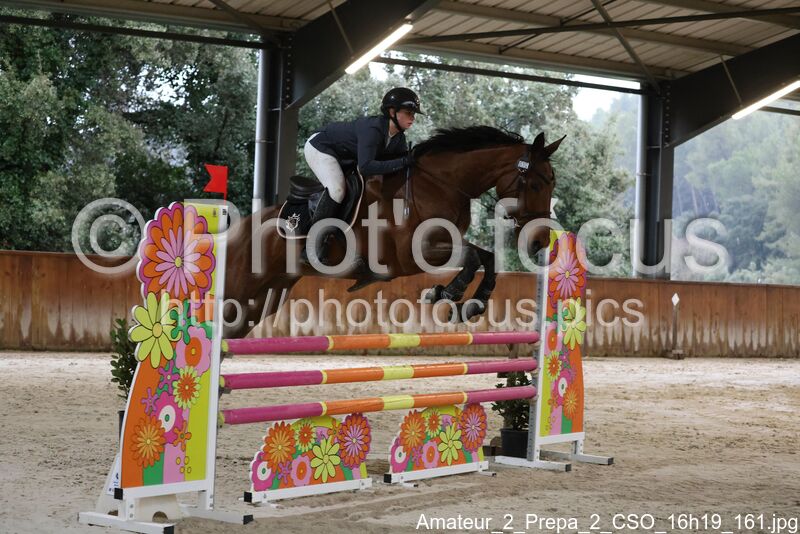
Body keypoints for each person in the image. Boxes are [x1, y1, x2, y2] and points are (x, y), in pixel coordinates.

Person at [301, 87, 422, 265]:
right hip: (321, 147)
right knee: (337, 190)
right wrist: (403, 161)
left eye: (414, 114)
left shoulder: (398, 138)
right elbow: (366, 167)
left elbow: (398, 167)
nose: (413, 118)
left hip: (345, 156)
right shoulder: (373, 129)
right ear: (392, 112)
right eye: (408, 113)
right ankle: (311, 246)